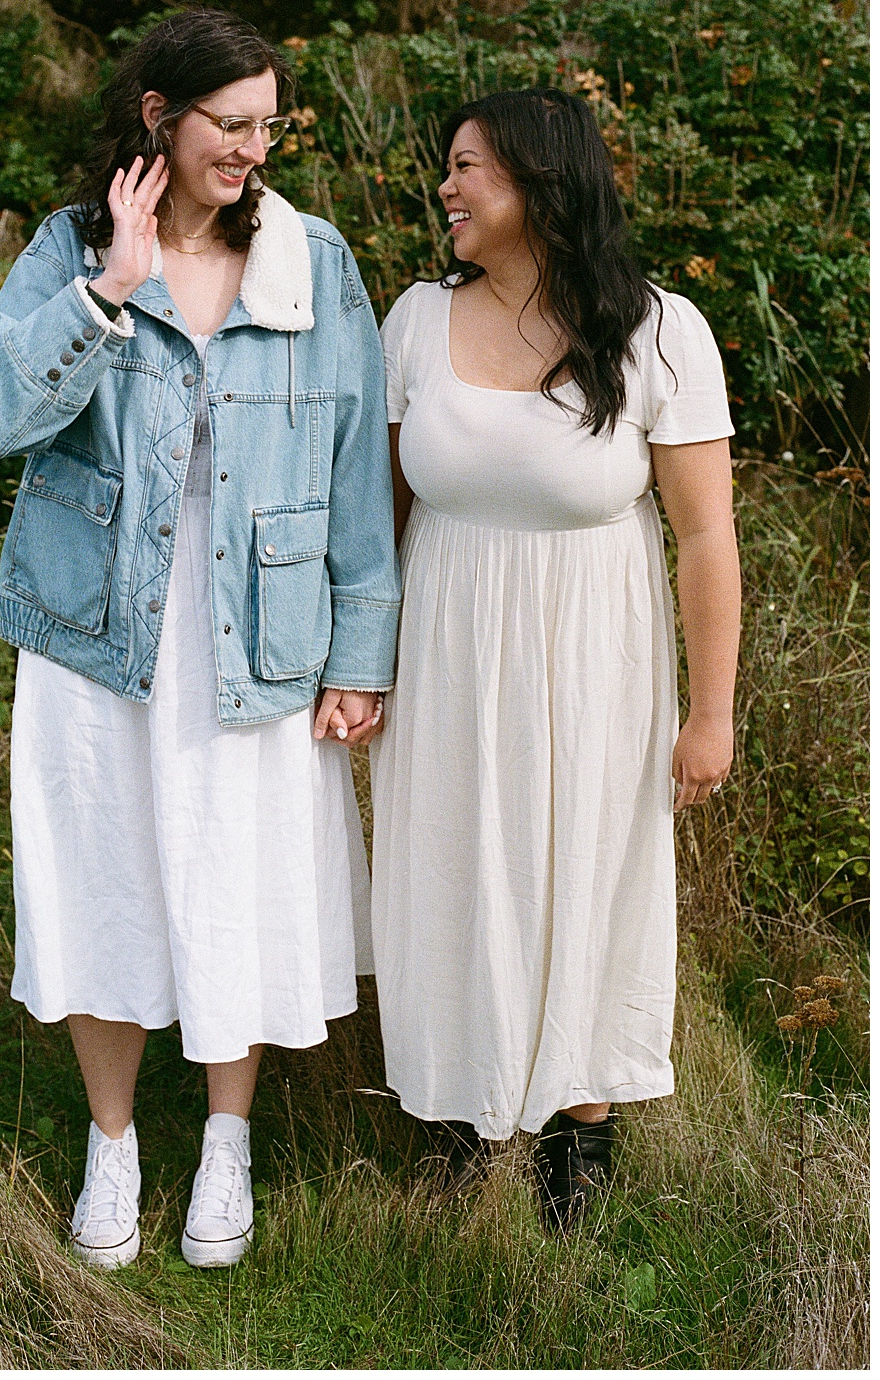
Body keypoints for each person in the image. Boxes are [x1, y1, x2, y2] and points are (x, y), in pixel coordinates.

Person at [0, 8, 400, 1271]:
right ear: (160, 116)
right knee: (99, 879)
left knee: (237, 885)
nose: (255, 148)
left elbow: (356, 463)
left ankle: (225, 1140)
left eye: (269, 125)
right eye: (232, 124)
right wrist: (110, 292)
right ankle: (113, 1145)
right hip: (96, 632)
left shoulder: (313, 260)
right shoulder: (71, 249)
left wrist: (361, 649)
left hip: (258, 634)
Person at [370, 86, 740, 1230]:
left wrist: (712, 711)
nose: (448, 187)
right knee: (450, 860)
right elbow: (373, 522)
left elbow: (706, 537)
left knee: (586, 865)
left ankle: (579, 1131)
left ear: (542, 180)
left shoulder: (659, 329)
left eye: (471, 167)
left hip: (596, 655)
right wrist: (357, 667)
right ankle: (456, 1111)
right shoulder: (415, 323)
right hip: (445, 650)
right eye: (449, 166)